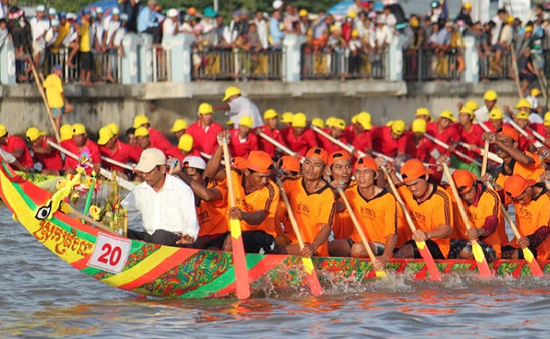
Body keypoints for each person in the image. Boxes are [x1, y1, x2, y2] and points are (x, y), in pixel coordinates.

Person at [206, 134, 280, 254]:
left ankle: (230, 272)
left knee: (231, 242)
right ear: (246, 172)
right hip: (235, 230)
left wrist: (243, 215)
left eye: (267, 177)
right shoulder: (234, 174)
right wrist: (220, 147)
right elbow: (210, 173)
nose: (264, 181)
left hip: (262, 236)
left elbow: (259, 217)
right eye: (260, 177)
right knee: (211, 249)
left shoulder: (271, 189)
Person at [122, 148, 199, 247]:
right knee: (121, 232)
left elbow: (191, 220)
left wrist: (189, 235)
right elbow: (123, 212)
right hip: (150, 238)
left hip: (177, 242)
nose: (144, 175)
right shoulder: (140, 190)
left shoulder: (181, 189)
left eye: (148, 171)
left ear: (162, 169)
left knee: (159, 235)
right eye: (142, 172)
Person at [381, 158, 453, 259]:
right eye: (409, 185)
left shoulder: (441, 197)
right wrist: (390, 172)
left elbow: (447, 229)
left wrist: (427, 235)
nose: (413, 189)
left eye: (415, 184)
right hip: (411, 241)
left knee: (403, 252)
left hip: (436, 244)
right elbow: (397, 187)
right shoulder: (407, 191)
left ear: (426, 176)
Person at [277, 147, 336, 257]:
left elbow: (326, 228)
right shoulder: (290, 182)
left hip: (313, 248)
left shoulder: (327, 194)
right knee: (266, 243)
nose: (310, 168)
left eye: (317, 165)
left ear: (324, 170)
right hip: (289, 240)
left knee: (277, 250)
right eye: (308, 163)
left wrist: (313, 246)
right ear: (303, 164)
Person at [447, 169, 505, 261]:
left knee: (466, 252)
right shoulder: (453, 192)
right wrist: (439, 170)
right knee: (440, 249)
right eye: (463, 195)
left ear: (474, 184)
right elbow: (432, 186)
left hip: (488, 245)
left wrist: (479, 232)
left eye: (469, 192)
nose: (467, 197)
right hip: (461, 242)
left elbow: (492, 222)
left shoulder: (490, 196)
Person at [173, 156, 228, 249]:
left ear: (203, 176)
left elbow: (208, 196)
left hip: (220, 236)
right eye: (185, 176)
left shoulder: (218, 188)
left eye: (191, 176)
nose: (186, 179)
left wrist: (181, 174)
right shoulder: (184, 194)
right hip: (198, 239)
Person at [501, 175, 550, 261]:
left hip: (541, 248)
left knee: (510, 255)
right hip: (518, 242)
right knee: (497, 253)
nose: (520, 202)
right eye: (516, 200)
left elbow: (545, 230)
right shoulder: (517, 194)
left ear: (528, 189)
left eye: (521, 198)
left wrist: (529, 240)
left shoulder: (546, 200)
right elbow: (497, 196)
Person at [43, 65, 71, 133]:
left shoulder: (49, 78)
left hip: (51, 101)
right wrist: (66, 101)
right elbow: (61, 92)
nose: (61, 72)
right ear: (55, 71)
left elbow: (44, 86)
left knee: (58, 116)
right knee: (58, 118)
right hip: (58, 102)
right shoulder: (57, 79)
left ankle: (57, 127)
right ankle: (57, 133)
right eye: (59, 70)